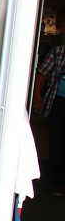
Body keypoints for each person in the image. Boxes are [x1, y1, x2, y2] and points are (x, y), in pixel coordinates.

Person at [33, 41, 65, 196]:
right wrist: (37, 96)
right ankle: (59, 183)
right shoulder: (58, 52)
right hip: (59, 102)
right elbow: (42, 74)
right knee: (57, 142)